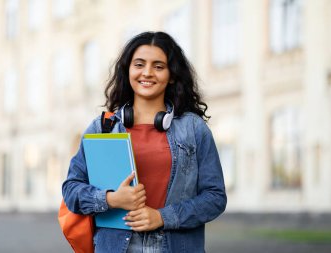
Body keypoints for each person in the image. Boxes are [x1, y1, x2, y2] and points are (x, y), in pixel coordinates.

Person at [62, 31, 227, 253]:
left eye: (158, 66)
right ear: (128, 70)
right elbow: (71, 190)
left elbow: (215, 198)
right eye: (139, 64)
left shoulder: (194, 129)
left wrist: (162, 217)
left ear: (172, 75)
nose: (147, 72)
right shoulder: (102, 128)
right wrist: (110, 199)